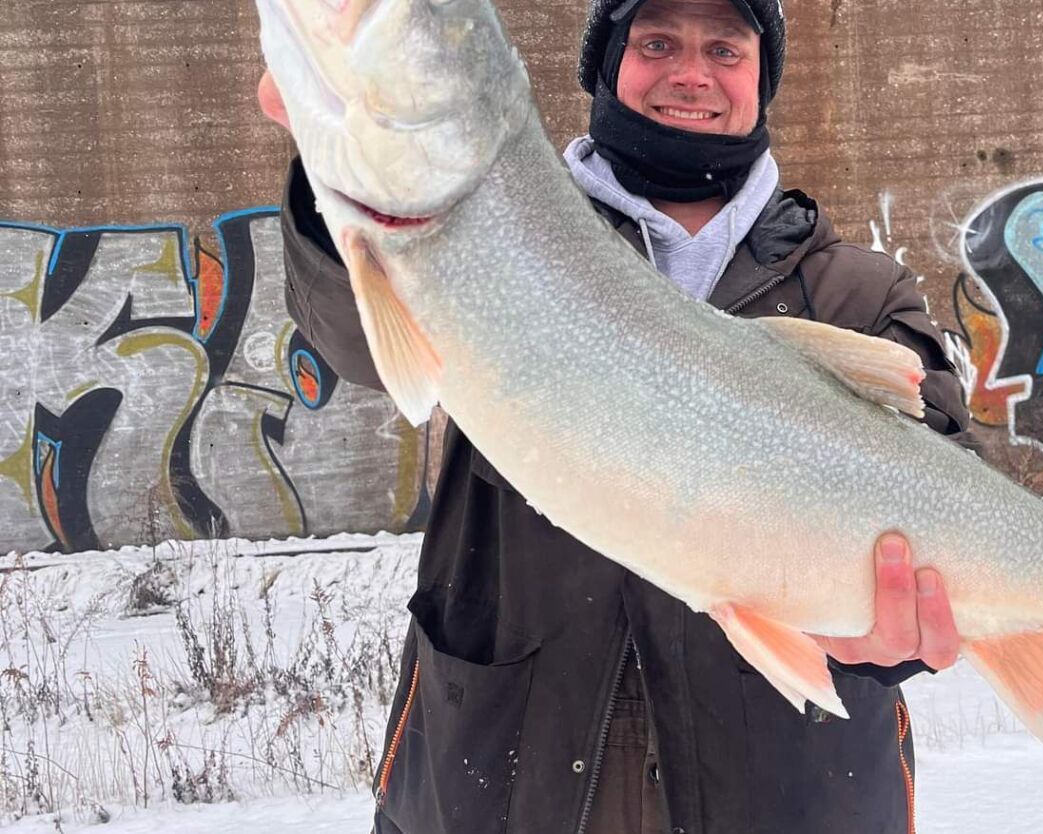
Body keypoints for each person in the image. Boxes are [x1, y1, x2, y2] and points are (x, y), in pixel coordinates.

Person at [259, 0, 973, 830]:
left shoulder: (858, 290)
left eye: (725, 49)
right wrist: (336, 189)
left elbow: (953, 498)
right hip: (508, 776)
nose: (690, 74)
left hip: (787, 791)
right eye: (656, 42)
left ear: (760, 79)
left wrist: (900, 636)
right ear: (606, 66)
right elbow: (353, 340)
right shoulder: (498, 231)